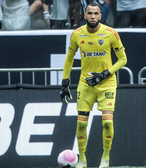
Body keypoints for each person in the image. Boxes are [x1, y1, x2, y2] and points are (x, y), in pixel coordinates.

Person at [60, 3, 127, 168]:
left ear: (100, 16)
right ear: (84, 15)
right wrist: (65, 83)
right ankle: (82, 159)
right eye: (89, 13)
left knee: (107, 123)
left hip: (107, 83)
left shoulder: (111, 34)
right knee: (81, 123)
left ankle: (105, 158)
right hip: (86, 83)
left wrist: (104, 74)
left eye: (96, 13)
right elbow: (69, 59)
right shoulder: (76, 35)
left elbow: (123, 60)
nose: (92, 16)